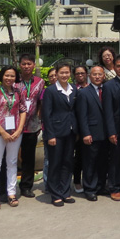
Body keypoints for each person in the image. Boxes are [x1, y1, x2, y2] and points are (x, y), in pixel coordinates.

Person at [0, 66, 27, 210]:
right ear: (2, 76)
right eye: (7, 75)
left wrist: (20, 129)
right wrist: (2, 132)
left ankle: (11, 193)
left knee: (12, 162)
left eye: (12, 76)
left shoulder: (19, 92)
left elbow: (23, 111)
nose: (9, 78)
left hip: (15, 133)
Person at [42, 62, 78, 207]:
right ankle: (55, 194)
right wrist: (50, 135)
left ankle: (65, 192)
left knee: (67, 163)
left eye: (67, 72)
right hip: (56, 133)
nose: (64, 75)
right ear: (56, 74)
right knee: (55, 164)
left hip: (70, 132)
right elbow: (46, 114)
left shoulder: (74, 89)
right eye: (61, 73)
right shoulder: (50, 91)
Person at [75, 65, 108, 202]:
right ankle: (90, 189)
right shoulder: (84, 92)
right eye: (94, 74)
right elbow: (81, 116)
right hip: (91, 133)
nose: (97, 77)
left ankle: (101, 186)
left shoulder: (106, 90)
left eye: (100, 74)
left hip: (105, 133)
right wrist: (85, 133)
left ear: (104, 76)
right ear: (89, 76)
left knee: (102, 162)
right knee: (90, 163)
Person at [14, 53, 45, 199]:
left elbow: (40, 102)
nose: (26, 66)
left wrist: (39, 119)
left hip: (31, 126)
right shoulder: (13, 81)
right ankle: (8, 187)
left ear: (33, 65)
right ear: (19, 65)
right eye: (24, 63)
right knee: (11, 158)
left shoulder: (40, 82)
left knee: (28, 158)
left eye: (29, 64)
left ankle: (26, 187)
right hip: (13, 126)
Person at [102, 54, 120, 201]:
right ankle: (115, 187)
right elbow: (107, 111)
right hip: (117, 129)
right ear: (114, 68)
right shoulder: (108, 86)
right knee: (116, 159)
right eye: (118, 66)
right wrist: (111, 132)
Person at [72, 64, 89, 194]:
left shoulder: (91, 88)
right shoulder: (72, 90)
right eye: (77, 73)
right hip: (76, 128)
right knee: (78, 158)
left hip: (91, 127)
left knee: (89, 157)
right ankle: (77, 181)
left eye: (82, 73)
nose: (80, 75)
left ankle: (89, 181)